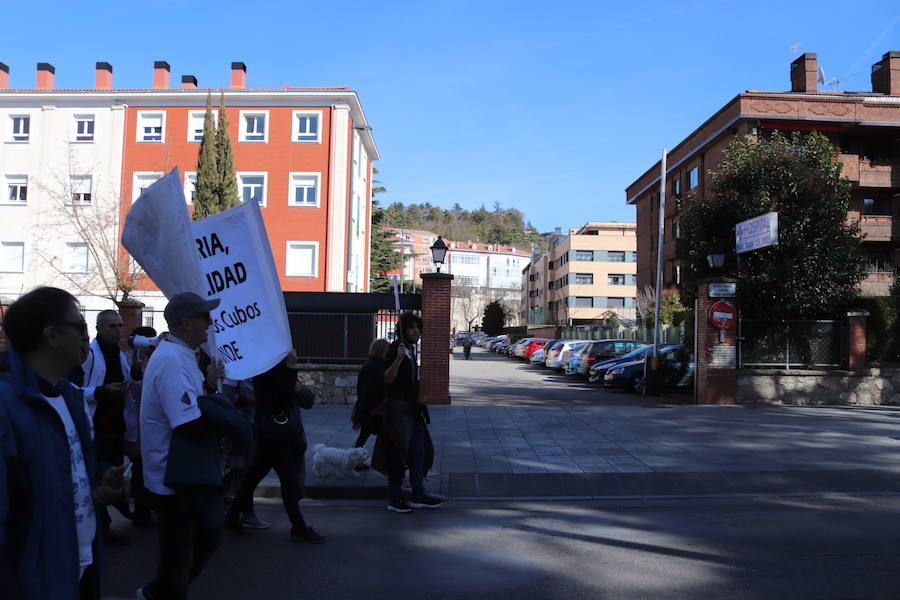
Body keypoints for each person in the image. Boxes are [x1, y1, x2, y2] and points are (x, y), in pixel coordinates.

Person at [0, 287, 128, 600]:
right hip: (32, 580)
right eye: (81, 327)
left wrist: (99, 483)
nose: (88, 337)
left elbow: (66, 472)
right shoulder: (6, 406)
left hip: (79, 563)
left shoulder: (69, 396)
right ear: (52, 336)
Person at [137, 292, 237, 600]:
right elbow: (187, 422)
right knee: (185, 550)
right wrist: (229, 424)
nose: (210, 323)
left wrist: (207, 384)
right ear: (186, 323)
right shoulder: (171, 360)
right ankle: (162, 593)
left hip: (183, 471)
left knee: (195, 543)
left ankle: (160, 592)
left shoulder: (180, 355)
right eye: (204, 318)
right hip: (175, 474)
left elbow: (192, 403)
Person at [226, 350, 323, 543]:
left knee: (254, 476)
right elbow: (283, 393)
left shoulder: (262, 366)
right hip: (276, 433)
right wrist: (291, 368)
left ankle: (232, 516)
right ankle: (298, 527)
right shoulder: (272, 369)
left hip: (269, 431)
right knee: (287, 480)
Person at [372, 312, 441, 513]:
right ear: (402, 329)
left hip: (412, 409)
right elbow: (387, 378)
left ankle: (418, 494)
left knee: (418, 453)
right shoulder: (396, 350)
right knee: (397, 453)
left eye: (418, 328)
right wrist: (398, 359)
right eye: (412, 327)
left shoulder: (411, 350)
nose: (416, 331)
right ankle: (394, 498)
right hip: (397, 411)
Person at [77, 310, 133, 545]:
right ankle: (101, 528)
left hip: (116, 423)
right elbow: (74, 389)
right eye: (112, 326)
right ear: (99, 328)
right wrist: (101, 392)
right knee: (98, 476)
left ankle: (113, 516)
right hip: (97, 425)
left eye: (120, 325)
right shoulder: (89, 354)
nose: (118, 330)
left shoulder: (119, 353)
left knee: (114, 474)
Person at [125, 326, 157, 528]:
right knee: (140, 466)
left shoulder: (155, 357)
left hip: (150, 422)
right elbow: (136, 388)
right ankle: (142, 510)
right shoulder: (129, 360)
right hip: (137, 420)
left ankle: (147, 507)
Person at [351, 338, 391, 467]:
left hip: (364, 406)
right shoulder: (381, 367)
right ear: (384, 351)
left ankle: (355, 460)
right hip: (374, 408)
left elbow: (360, 386)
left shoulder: (367, 364)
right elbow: (380, 388)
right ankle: (384, 461)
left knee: (364, 435)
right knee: (385, 434)